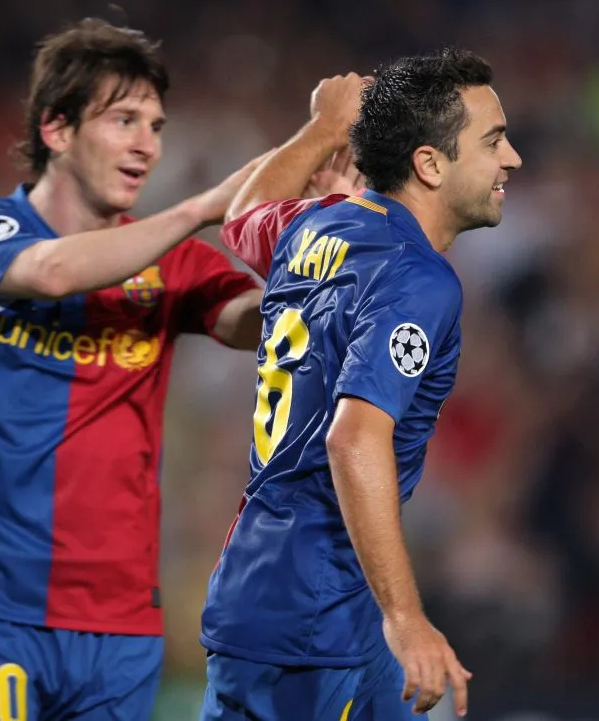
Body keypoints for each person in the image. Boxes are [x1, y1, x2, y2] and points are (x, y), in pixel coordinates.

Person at [0, 18, 271, 720]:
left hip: (119, 620)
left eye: (156, 125)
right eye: (124, 119)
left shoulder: (178, 265)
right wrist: (198, 210)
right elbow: (51, 271)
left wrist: (327, 254)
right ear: (57, 130)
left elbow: (255, 323)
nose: (147, 145)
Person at [200, 48, 523, 720]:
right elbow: (354, 439)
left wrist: (323, 128)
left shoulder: (315, 225)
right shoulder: (418, 278)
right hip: (307, 621)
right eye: (493, 141)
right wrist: (407, 617)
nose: (512, 158)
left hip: (319, 597)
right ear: (430, 164)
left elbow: (242, 214)